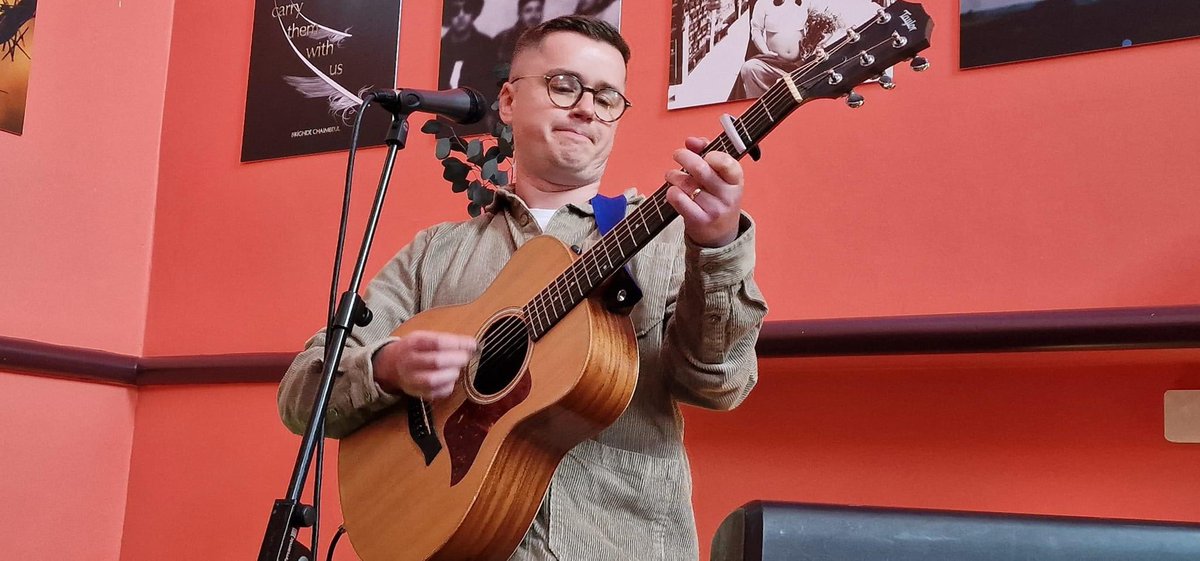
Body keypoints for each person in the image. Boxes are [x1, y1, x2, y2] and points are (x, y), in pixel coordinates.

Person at [278, 15, 768, 561]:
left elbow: (720, 386)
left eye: (608, 98)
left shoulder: (670, 239)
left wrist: (719, 247)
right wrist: (388, 367)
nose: (586, 108)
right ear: (509, 101)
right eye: (564, 86)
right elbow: (302, 396)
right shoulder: (433, 254)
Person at [738, 0, 882, 97]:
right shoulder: (763, 3)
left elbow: (825, 24)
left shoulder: (806, 1)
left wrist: (820, 45)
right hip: (773, 60)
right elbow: (756, 31)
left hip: (803, 62)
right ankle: (764, 108)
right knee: (749, 68)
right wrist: (765, 51)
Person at [438, 0, 501, 135]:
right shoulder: (440, 47)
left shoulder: (486, 46)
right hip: (443, 122)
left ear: (473, 12)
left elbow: (491, 86)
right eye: (455, 11)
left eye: (467, 9)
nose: (461, 15)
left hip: (476, 121)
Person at [495, 0, 545, 68]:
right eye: (528, 10)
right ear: (520, 14)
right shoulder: (505, 38)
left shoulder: (546, 38)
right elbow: (500, 73)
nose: (534, 15)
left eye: (538, 10)